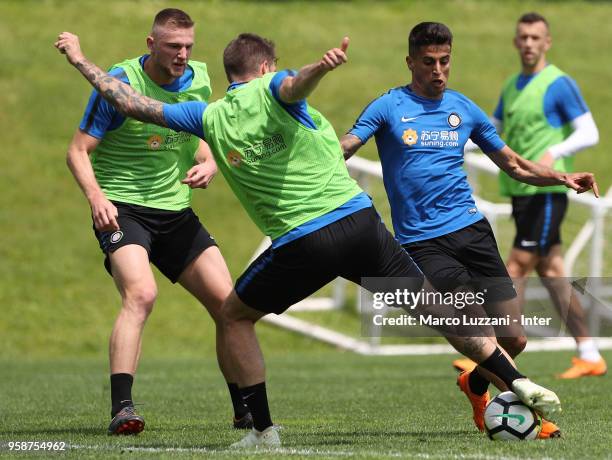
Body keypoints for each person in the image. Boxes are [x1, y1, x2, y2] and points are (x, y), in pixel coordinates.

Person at [56, 30, 568, 449]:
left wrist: (81, 59)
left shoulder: (207, 115)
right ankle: (514, 379)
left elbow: (130, 101)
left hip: (306, 240)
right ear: (262, 67)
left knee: (234, 315)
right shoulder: (276, 88)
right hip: (362, 222)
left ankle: (262, 433)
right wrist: (320, 68)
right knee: (432, 309)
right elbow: (294, 86)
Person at [341, 22, 598, 438]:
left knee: (513, 340)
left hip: (474, 234)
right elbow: (346, 147)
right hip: (423, 243)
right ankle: (531, 419)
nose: (438, 70)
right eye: (428, 62)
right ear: (410, 62)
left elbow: (514, 164)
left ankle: (474, 383)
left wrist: (560, 178)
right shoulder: (387, 107)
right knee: (479, 331)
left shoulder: (463, 108)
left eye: (444, 61)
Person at [63, 9, 252, 435]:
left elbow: (203, 134)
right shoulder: (121, 82)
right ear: (151, 45)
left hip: (175, 210)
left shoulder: (201, 78)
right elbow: (77, 151)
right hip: (123, 208)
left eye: (188, 46)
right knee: (142, 293)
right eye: (173, 47)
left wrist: (210, 164)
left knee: (229, 306)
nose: (182, 55)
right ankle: (122, 409)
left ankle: (244, 410)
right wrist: (96, 197)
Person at [496, 12, 606, 379]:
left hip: (545, 193)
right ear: (515, 42)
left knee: (514, 268)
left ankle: (497, 354)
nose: (528, 43)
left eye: (535, 37)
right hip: (519, 191)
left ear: (547, 43)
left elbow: (589, 132)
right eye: (522, 37)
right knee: (553, 272)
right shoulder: (512, 85)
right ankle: (589, 354)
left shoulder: (558, 83)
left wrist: (554, 153)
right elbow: (492, 133)